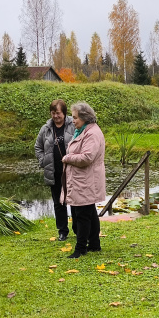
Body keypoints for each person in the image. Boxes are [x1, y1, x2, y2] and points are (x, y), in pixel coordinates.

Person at [60, 101, 106, 259]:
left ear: (85, 117)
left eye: (75, 118)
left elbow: (87, 157)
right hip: (83, 179)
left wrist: (67, 158)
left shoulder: (92, 133)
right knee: (90, 212)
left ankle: (81, 248)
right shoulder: (83, 130)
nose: (73, 121)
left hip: (86, 180)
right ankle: (94, 244)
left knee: (82, 215)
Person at [34, 99, 75, 241]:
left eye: (58, 113)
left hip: (72, 171)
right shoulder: (45, 129)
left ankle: (77, 228)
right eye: (53, 113)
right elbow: (38, 147)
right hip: (54, 172)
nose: (56, 116)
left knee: (75, 200)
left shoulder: (73, 125)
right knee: (59, 203)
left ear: (64, 112)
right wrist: (43, 161)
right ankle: (62, 231)